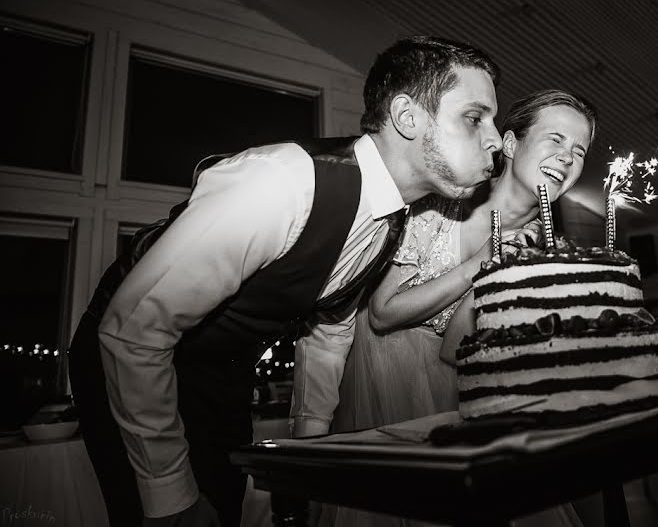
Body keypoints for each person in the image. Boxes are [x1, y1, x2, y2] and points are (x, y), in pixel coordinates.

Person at [67, 35, 504, 527]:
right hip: (128, 368)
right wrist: (167, 493)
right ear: (407, 117)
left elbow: (330, 329)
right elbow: (133, 331)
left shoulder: (393, 219)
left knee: (223, 505)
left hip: (222, 381)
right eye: (475, 117)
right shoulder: (281, 182)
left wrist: (309, 445)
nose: (495, 138)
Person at [321, 90, 596, 526]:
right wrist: (481, 262)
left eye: (579, 151)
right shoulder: (446, 200)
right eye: (556, 140)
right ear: (509, 143)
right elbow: (382, 313)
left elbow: (455, 350)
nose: (567, 158)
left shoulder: (545, 249)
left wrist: (501, 277)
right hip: (388, 383)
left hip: (462, 400)